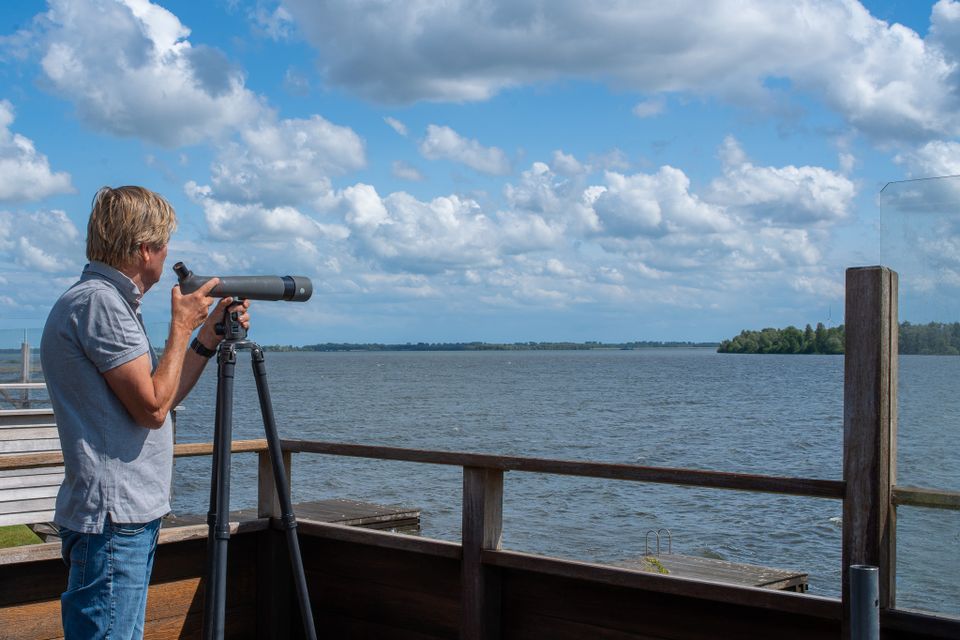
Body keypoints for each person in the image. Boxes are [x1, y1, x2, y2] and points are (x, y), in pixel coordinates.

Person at [40, 186, 250, 639]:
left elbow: (159, 396)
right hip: (113, 518)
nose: (168, 253)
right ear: (145, 249)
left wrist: (205, 337)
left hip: (122, 516)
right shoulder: (100, 304)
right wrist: (180, 325)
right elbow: (154, 410)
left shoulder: (103, 302)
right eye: (165, 242)